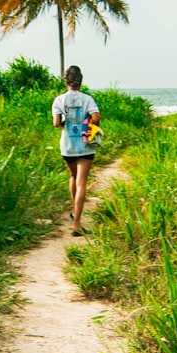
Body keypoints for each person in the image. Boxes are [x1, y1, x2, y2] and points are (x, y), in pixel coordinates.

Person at [51, 65, 100, 237]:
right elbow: (96, 118)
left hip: (68, 146)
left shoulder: (59, 100)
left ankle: (74, 212)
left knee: (73, 177)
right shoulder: (87, 99)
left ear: (66, 80)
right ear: (81, 81)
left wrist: (67, 122)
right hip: (85, 145)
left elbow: (56, 123)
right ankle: (77, 224)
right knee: (82, 182)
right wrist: (87, 122)